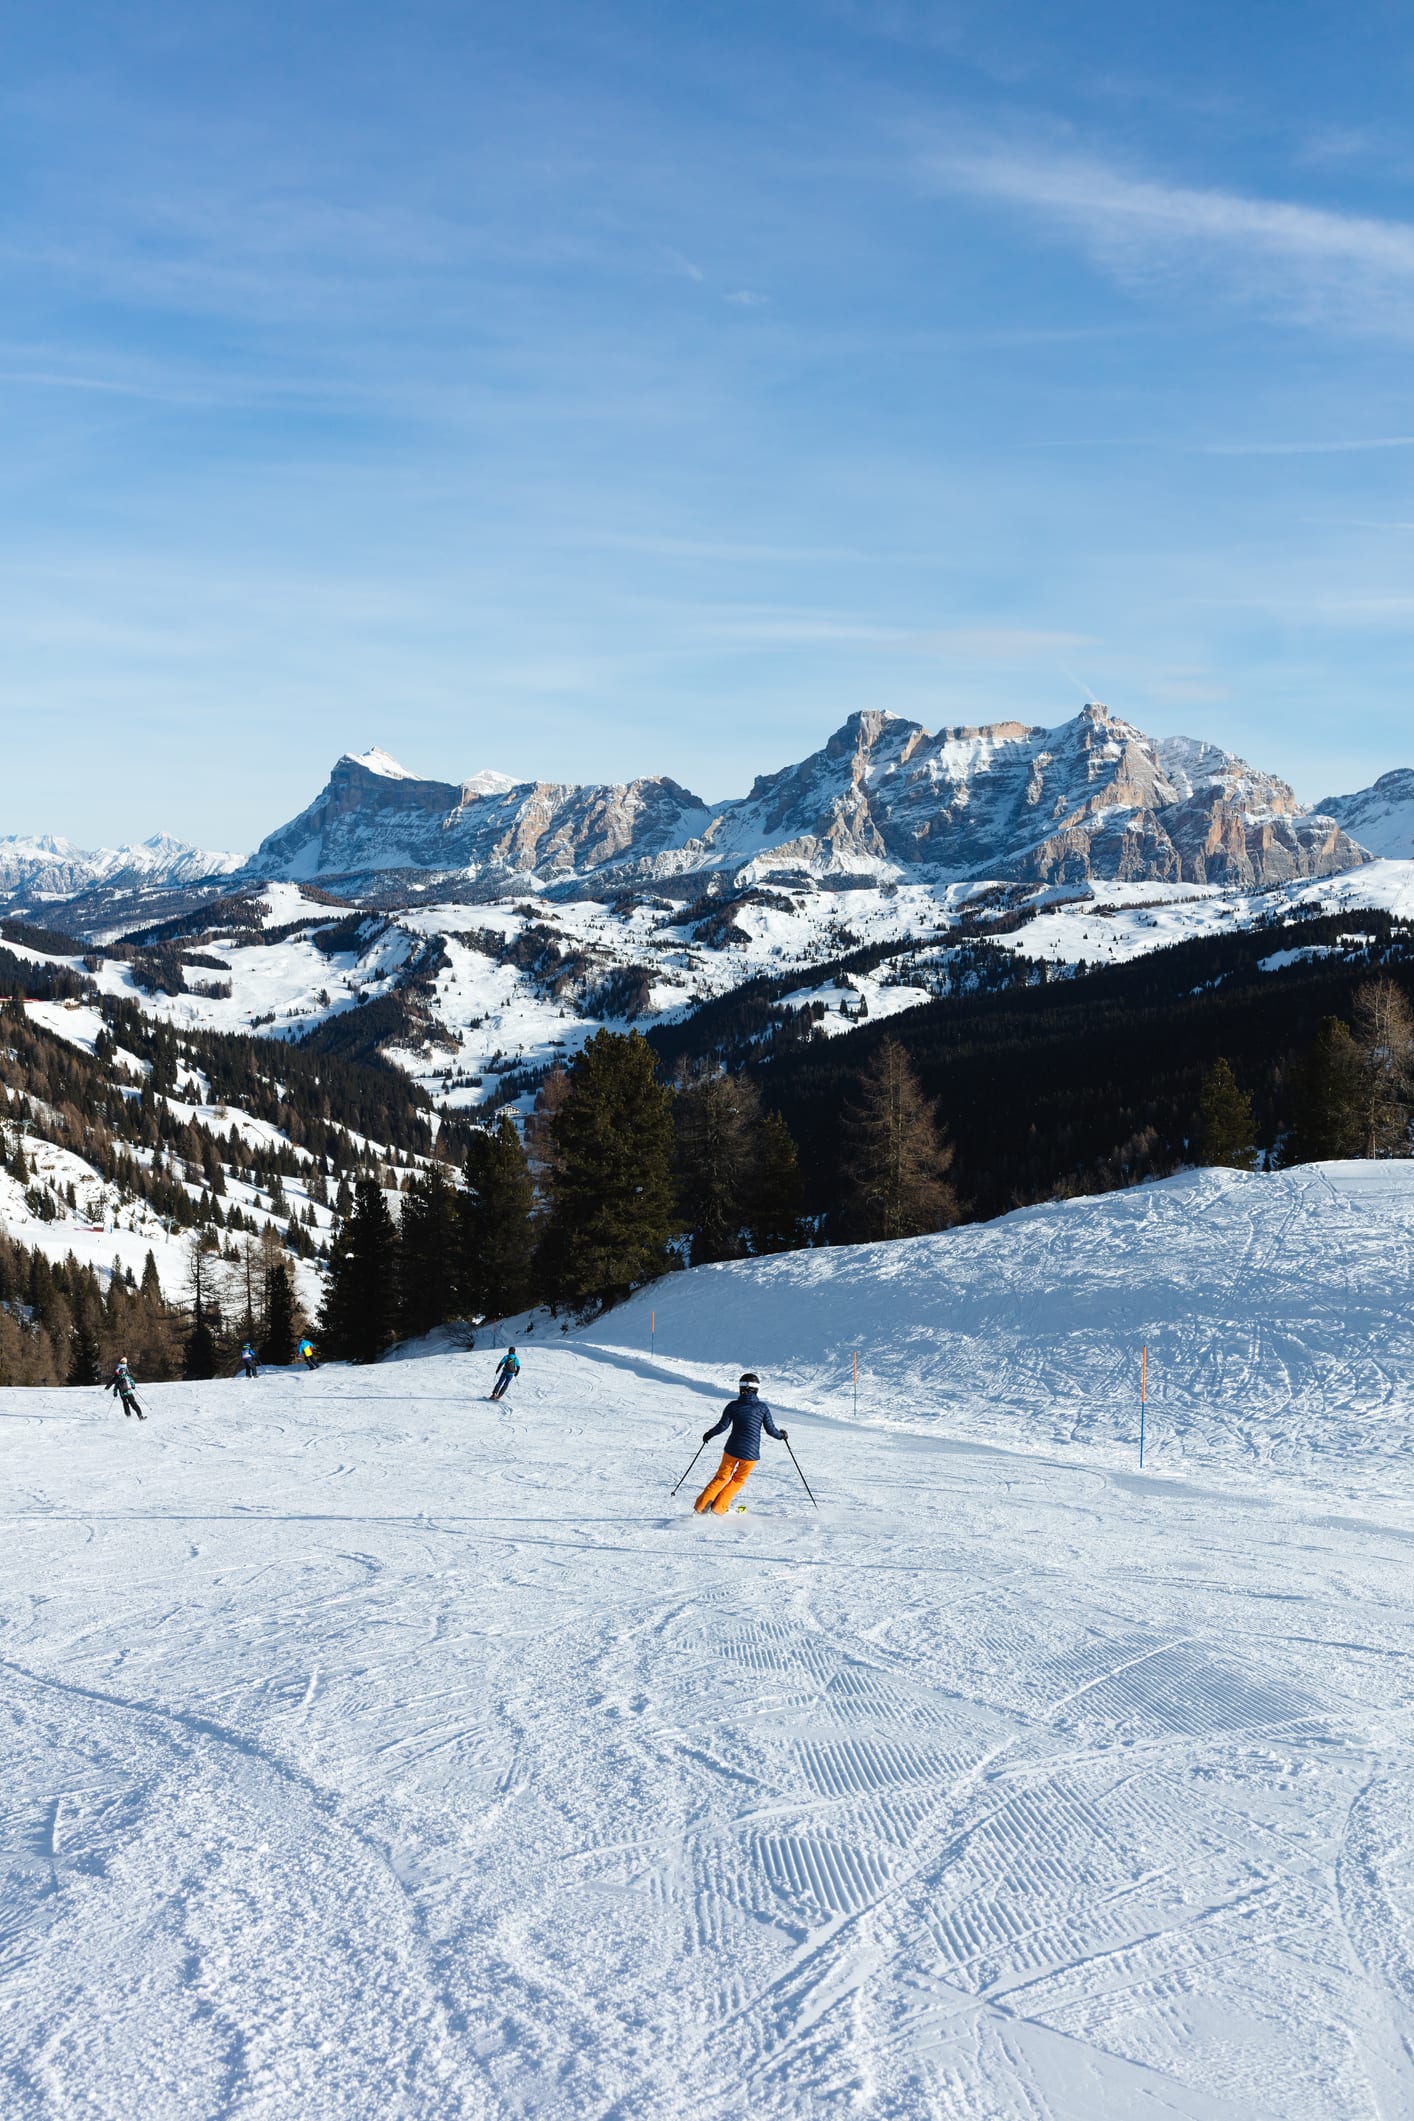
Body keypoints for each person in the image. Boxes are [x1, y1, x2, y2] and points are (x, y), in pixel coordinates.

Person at [695, 1372, 787, 1515]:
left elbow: (722, 1426)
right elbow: (771, 1431)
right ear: (756, 1389)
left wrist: (709, 1434)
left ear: (740, 1388)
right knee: (737, 1480)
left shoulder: (733, 1406)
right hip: (751, 1454)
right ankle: (718, 1508)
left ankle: (701, 1508)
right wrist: (782, 1435)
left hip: (731, 1450)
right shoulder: (762, 1408)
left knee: (721, 1478)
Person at [107, 1357, 145, 1421]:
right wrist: (133, 1386)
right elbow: (132, 1382)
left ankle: (128, 1417)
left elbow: (115, 1387)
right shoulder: (128, 1377)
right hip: (129, 1392)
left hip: (122, 1394)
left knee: (125, 1404)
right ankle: (140, 1416)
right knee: (133, 1404)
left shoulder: (118, 1379)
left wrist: (115, 1394)